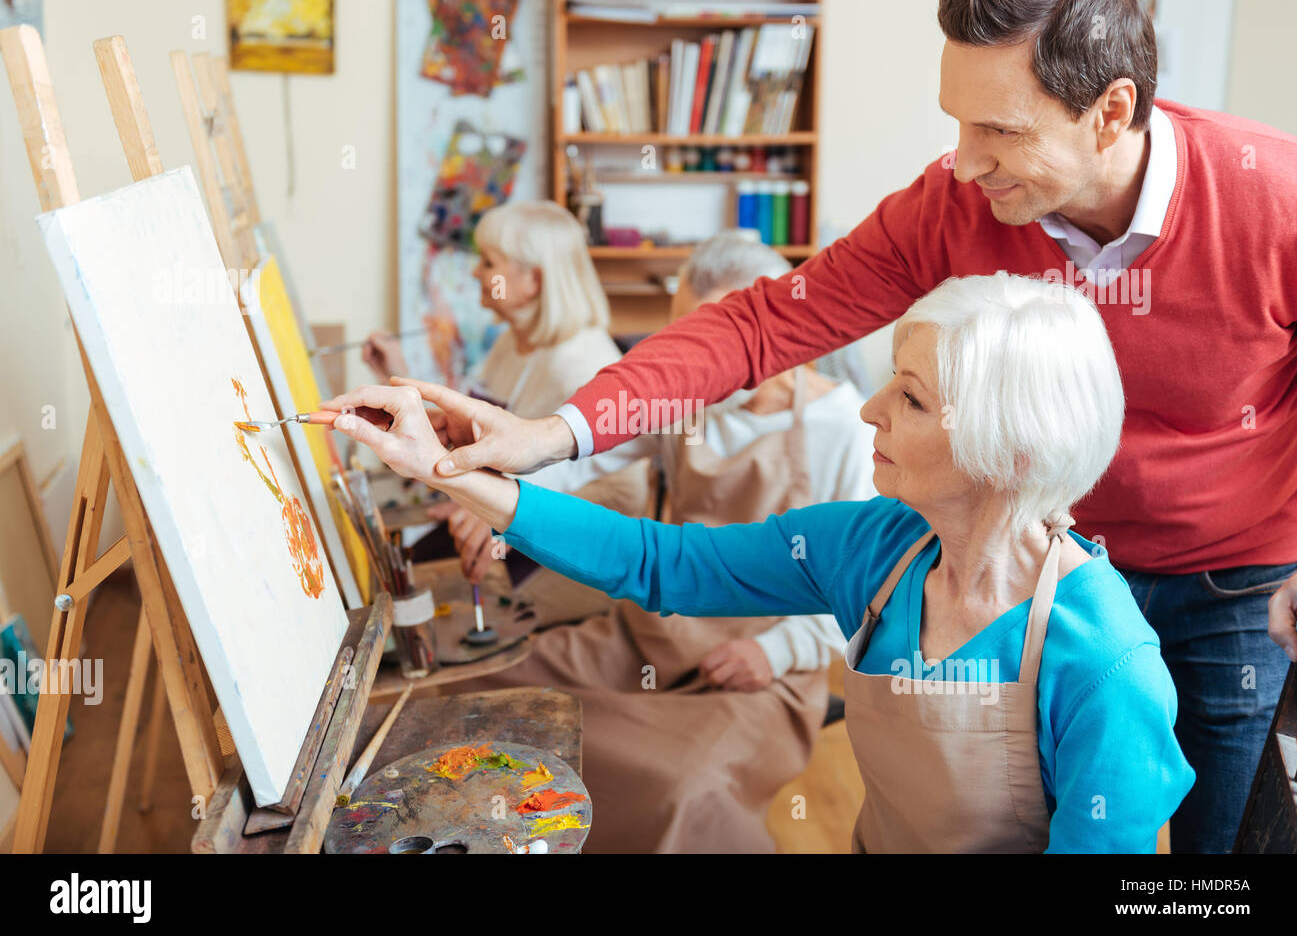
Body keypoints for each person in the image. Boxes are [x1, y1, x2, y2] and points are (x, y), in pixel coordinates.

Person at [395, 0, 1297, 854]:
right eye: (957, 121)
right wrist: (551, 436)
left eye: (1000, 131)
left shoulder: (1273, 196)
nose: (965, 160)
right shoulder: (955, 208)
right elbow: (765, 321)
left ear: (1111, 111)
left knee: (1212, 848)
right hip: (1032, 547)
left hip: (1231, 581)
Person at [324, 272, 1194, 852]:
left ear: (1008, 450)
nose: (871, 411)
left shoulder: (1107, 664)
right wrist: (461, 470)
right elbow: (661, 562)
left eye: (913, 397)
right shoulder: (878, 548)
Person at [425, 234, 875, 852]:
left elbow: (864, 587)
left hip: (762, 667)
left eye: (713, 340)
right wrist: (495, 498)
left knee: (682, 789)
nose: (699, 362)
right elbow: (576, 459)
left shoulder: (847, 428)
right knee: (477, 694)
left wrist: (779, 650)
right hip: (651, 634)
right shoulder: (686, 400)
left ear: (772, 322)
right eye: (687, 341)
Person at [366, 199, 651, 622]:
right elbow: (468, 439)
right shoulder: (511, 343)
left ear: (532, 281)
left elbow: (622, 493)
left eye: (488, 262)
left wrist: (506, 512)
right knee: (385, 577)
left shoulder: (581, 362)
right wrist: (398, 375)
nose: (475, 272)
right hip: (498, 518)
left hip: (557, 547)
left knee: (409, 603)